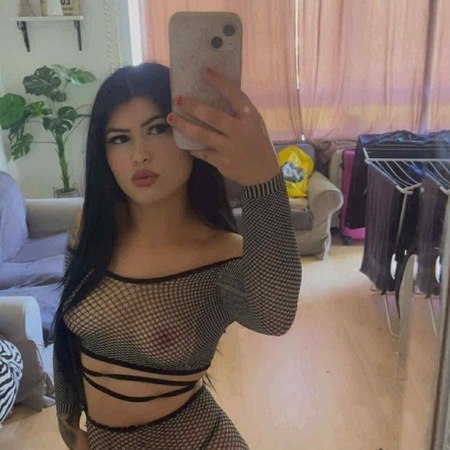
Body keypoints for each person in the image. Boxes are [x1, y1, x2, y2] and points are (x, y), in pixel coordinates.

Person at [52, 61, 302, 449]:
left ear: (191, 135)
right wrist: (68, 423)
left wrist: (263, 179)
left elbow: (275, 316)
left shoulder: (222, 255)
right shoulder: (92, 227)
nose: (139, 155)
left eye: (158, 129)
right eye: (119, 138)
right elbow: (67, 334)